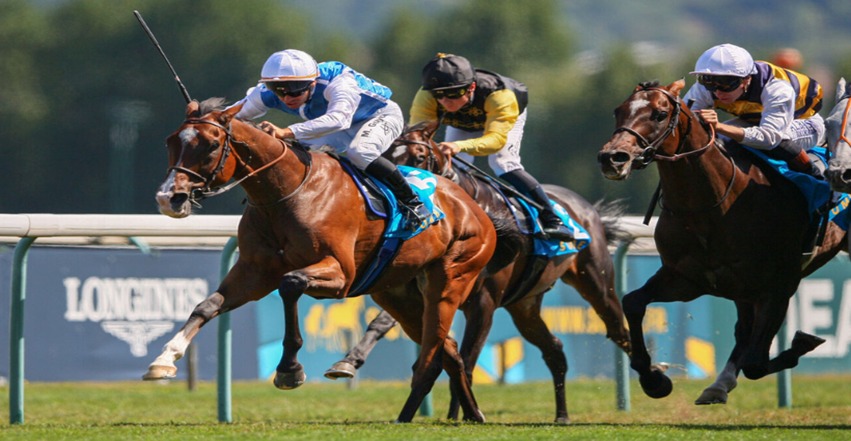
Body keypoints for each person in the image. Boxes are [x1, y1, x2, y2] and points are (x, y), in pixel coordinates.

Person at [232, 49, 430, 227]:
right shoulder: (266, 92)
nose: (286, 98)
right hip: (336, 126)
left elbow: (338, 119)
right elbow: (229, 115)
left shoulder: (340, 82)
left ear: (313, 82)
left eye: (295, 90)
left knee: (359, 152)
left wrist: (286, 131)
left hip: (379, 116)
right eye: (278, 90)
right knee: (288, 151)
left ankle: (412, 202)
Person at [409, 53, 574, 241]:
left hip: (499, 121)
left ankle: (553, 219)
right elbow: (418, 136)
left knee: (502, 163)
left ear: (471, 87)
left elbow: (495, 141)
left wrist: (458, 145)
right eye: (438, 95)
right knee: (453, 167)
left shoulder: (500, 95)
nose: (446, 101)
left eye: (454, 94)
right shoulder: (426, 96)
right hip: (461, 122)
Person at [683, 43, 825, 178]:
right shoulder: (705, 89)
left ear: (746, 79)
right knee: (718, 139)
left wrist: (719, 126)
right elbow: (684, 121)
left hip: (804, 123)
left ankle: (816, 176)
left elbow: (770, 139)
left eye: (726, 83)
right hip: (754, 121)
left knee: (780, 138)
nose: (718, 92)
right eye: (709, 82)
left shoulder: (777, 89)